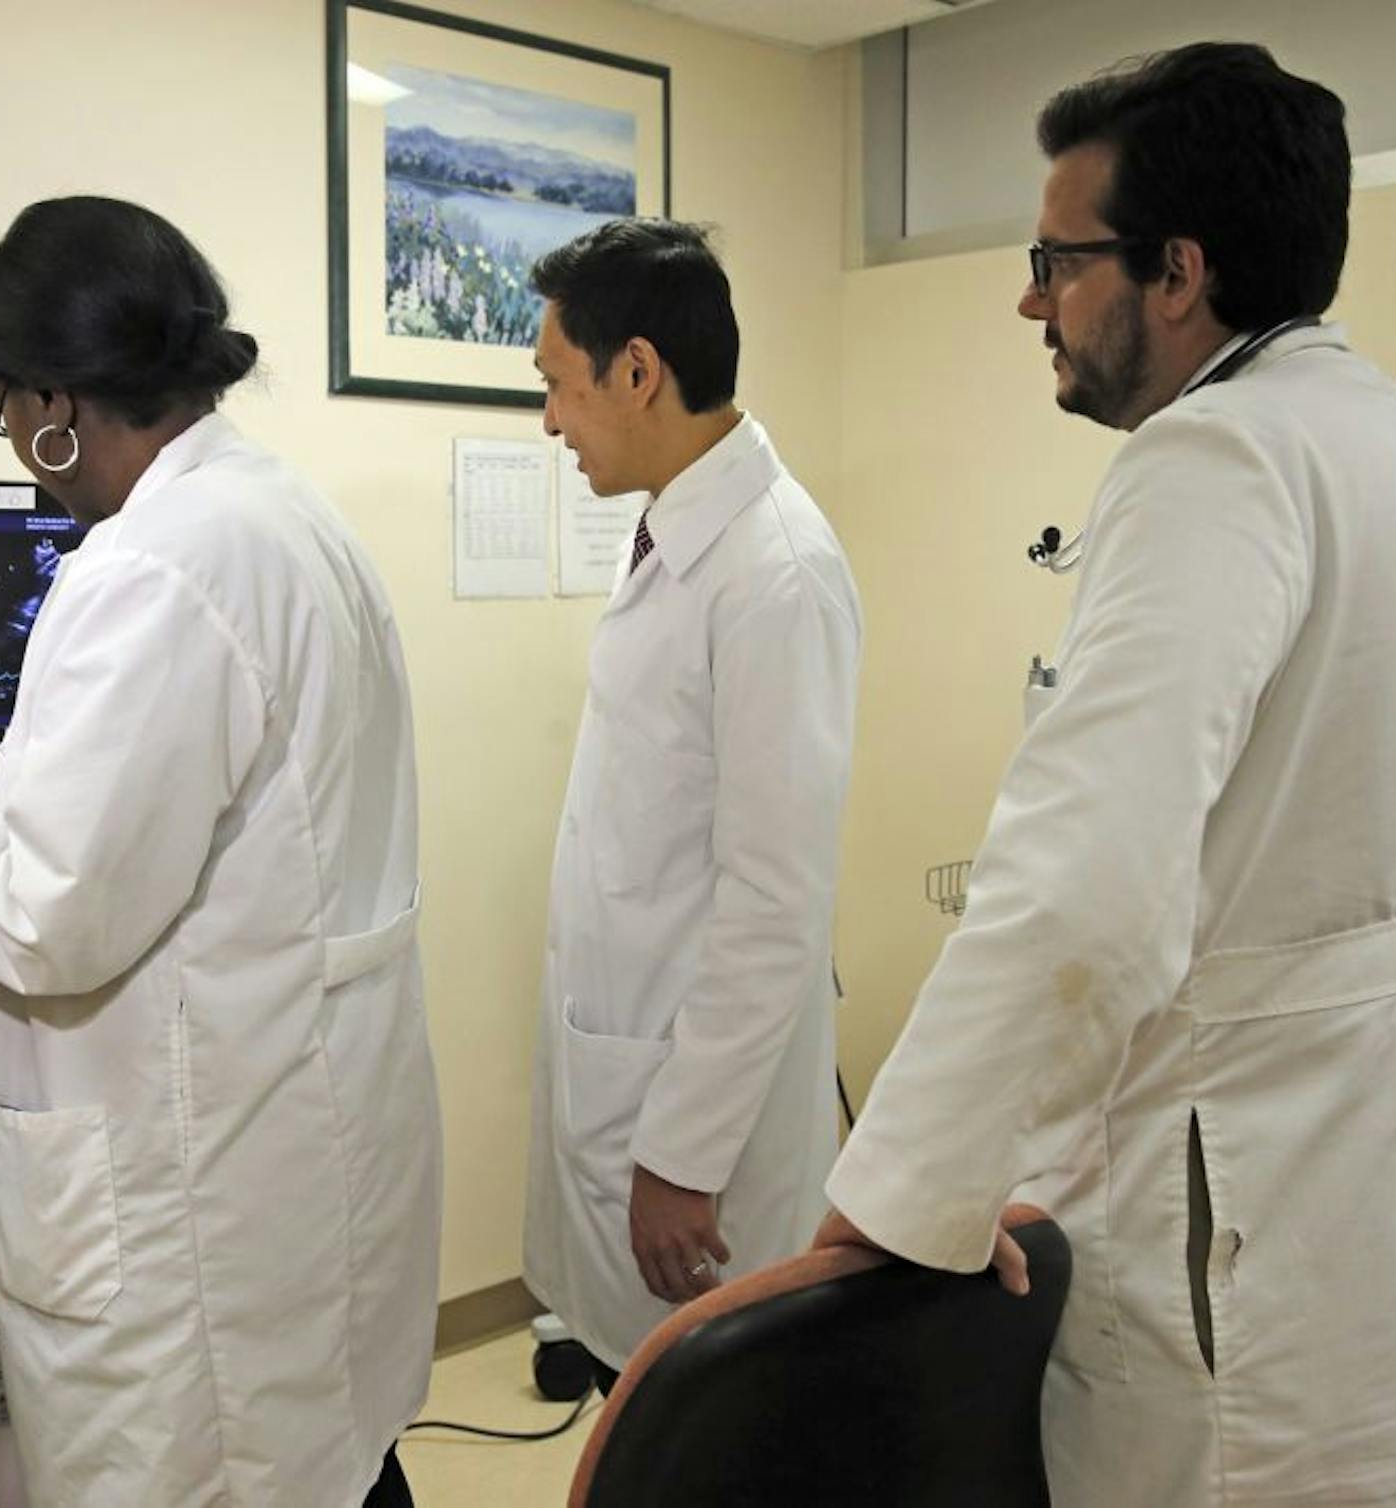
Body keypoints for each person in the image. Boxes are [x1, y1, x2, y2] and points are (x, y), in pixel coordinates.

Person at [817, 42, 1396, 1505]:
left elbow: (1080, 892)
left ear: (1178, 272)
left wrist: (900, 1198)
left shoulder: (1211, 459)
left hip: (1251, 1181)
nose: (1032, 301)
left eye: (1056, 261)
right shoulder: (1389, 439)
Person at [0, 198, 443, 1507]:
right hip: (300, 1142)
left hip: (201, 1208)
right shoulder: (283, 513)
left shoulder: (153, 566)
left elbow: (44, 910)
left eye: (5, 406)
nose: (13, 440)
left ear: (53, 402)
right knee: (331, 1460)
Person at [521, 219, 861, 1387]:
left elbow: (775, 899)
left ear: (636, 370)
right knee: (644, 1391)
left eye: (557, 385)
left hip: (697, 1129)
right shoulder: (679, 534)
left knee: (712, 1416)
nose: (550, 421)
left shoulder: (776, 573)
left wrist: (682, 1154)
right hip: (628, 1054)